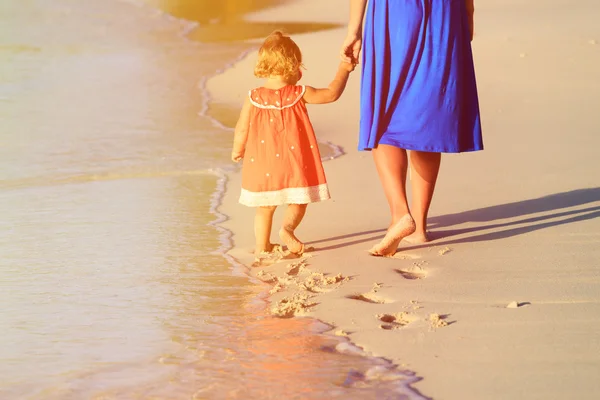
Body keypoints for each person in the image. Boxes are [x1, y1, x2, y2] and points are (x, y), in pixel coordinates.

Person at [340, 0, 483, 256]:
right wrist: (468, 15)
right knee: (427, 118)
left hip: (393, 13)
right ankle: (419, 228)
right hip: (445, 12)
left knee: (384, 115)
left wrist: (354, 29)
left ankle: (400, 214)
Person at [232, 31, 355, 257]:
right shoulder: (300, 93)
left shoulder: (253, 97)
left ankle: (262, 247)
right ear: (294, 65)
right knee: (298, 199)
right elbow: (331, 94)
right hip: (294, 161)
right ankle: (287, 229)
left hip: (263, 162)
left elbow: (241, 127)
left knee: (265, 207)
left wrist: (237, 149)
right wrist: (343, 69)